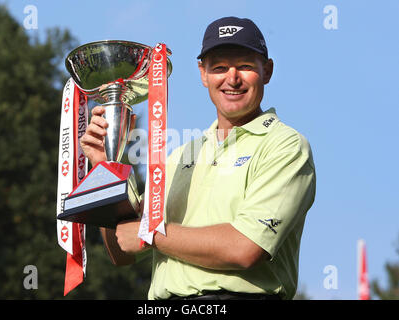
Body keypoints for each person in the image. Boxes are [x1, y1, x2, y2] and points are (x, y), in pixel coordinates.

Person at [80, 16, 316, 300]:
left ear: (267, 71)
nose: (232, 78)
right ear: (203, 74)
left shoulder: (285, 146)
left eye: (244, 66)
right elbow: (122, 251)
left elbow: (245, 248)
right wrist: (106, 167)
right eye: (219, 68)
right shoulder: (181, 155)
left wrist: (151, 234)